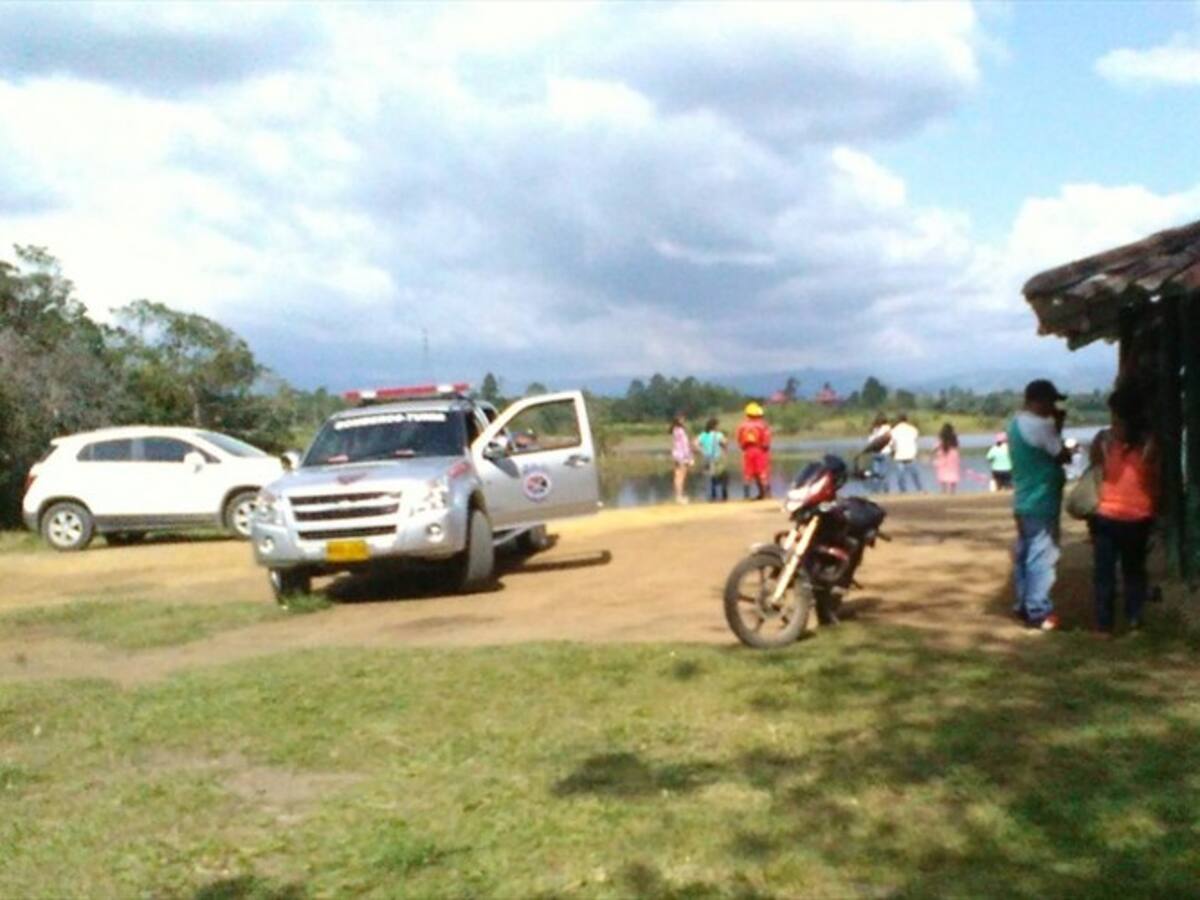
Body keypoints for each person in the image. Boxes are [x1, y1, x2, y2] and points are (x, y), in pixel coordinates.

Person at [1088, 385, 1158, 636]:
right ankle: (1135, 620)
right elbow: (1155, 475)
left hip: (1106, 513)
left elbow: (1096, 466)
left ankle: (1104, 625)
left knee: (1104, 572)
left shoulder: (1103, 440)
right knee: (1134, 570)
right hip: (1139, 514)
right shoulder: (1150, 442)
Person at [1009, 379, 1072, 631]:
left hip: (1023, 499)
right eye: (1050, 401)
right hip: (1041, 500)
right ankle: (1038, 610)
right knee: (1042, 556)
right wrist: (1058, 425)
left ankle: (1024, 604)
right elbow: (1062, 455)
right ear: (1039, 401)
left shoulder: (1015, 423)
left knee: (1025, 554)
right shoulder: (1042, 427)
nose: (1053, 406)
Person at [736, 402, 772, 500]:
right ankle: (766, 494)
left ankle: (746, 495)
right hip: (760, 451)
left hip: (747, 451)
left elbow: (739, 440)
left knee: (748, 473)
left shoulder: (742, 426)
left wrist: (744, 448)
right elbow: (766, 442)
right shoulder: (763, 425)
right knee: (762, 473)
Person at [695, 417, 729, 502]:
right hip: (717, 458)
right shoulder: (718, 435)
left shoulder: (703, 434)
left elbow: (695, 444)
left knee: (710, 478)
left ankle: (712, 497)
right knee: (721, 477)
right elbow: (724, 443)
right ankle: (723, 497)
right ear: (714, 426)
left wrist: (702, 451)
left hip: (707, 458)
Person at [890, 414, 922, 493]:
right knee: (915, 474)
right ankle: (920, 489)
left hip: (899, 455)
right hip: (910, 454)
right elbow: (915, 439)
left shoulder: (894, 430)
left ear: (898, 420)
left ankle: (903, 491)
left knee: (900, 475)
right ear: (906, 420)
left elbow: (892, 444)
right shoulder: (913, 429)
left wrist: (893, 452)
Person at [670, 414, 693, 504]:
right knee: (681, 476)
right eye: (682, 419)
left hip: (676, 454)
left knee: (677, 476)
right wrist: (689, 457)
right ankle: (680, 496)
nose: (684, 421)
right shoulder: (681, 431)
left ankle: (678, 496)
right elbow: (685, 445)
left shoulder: (674, 430)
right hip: (682, 455)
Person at [866, 413, 893, 493]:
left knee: (876, 473)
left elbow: (870, 441)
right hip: (885, 452)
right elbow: (890, 441)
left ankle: (875, 490)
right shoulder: (887, 428)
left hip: (875, 452)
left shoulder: (874, 429)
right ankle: (886, 490)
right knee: (885, 473)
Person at [932, 423, 960, 495]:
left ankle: (943, 490)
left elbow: (935, 447)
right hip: (953, 455)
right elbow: (957, 446)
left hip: (942, 455)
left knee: (942, 472)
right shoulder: (954, 437)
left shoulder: (941, 438)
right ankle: (952, 490)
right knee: (953, 471)